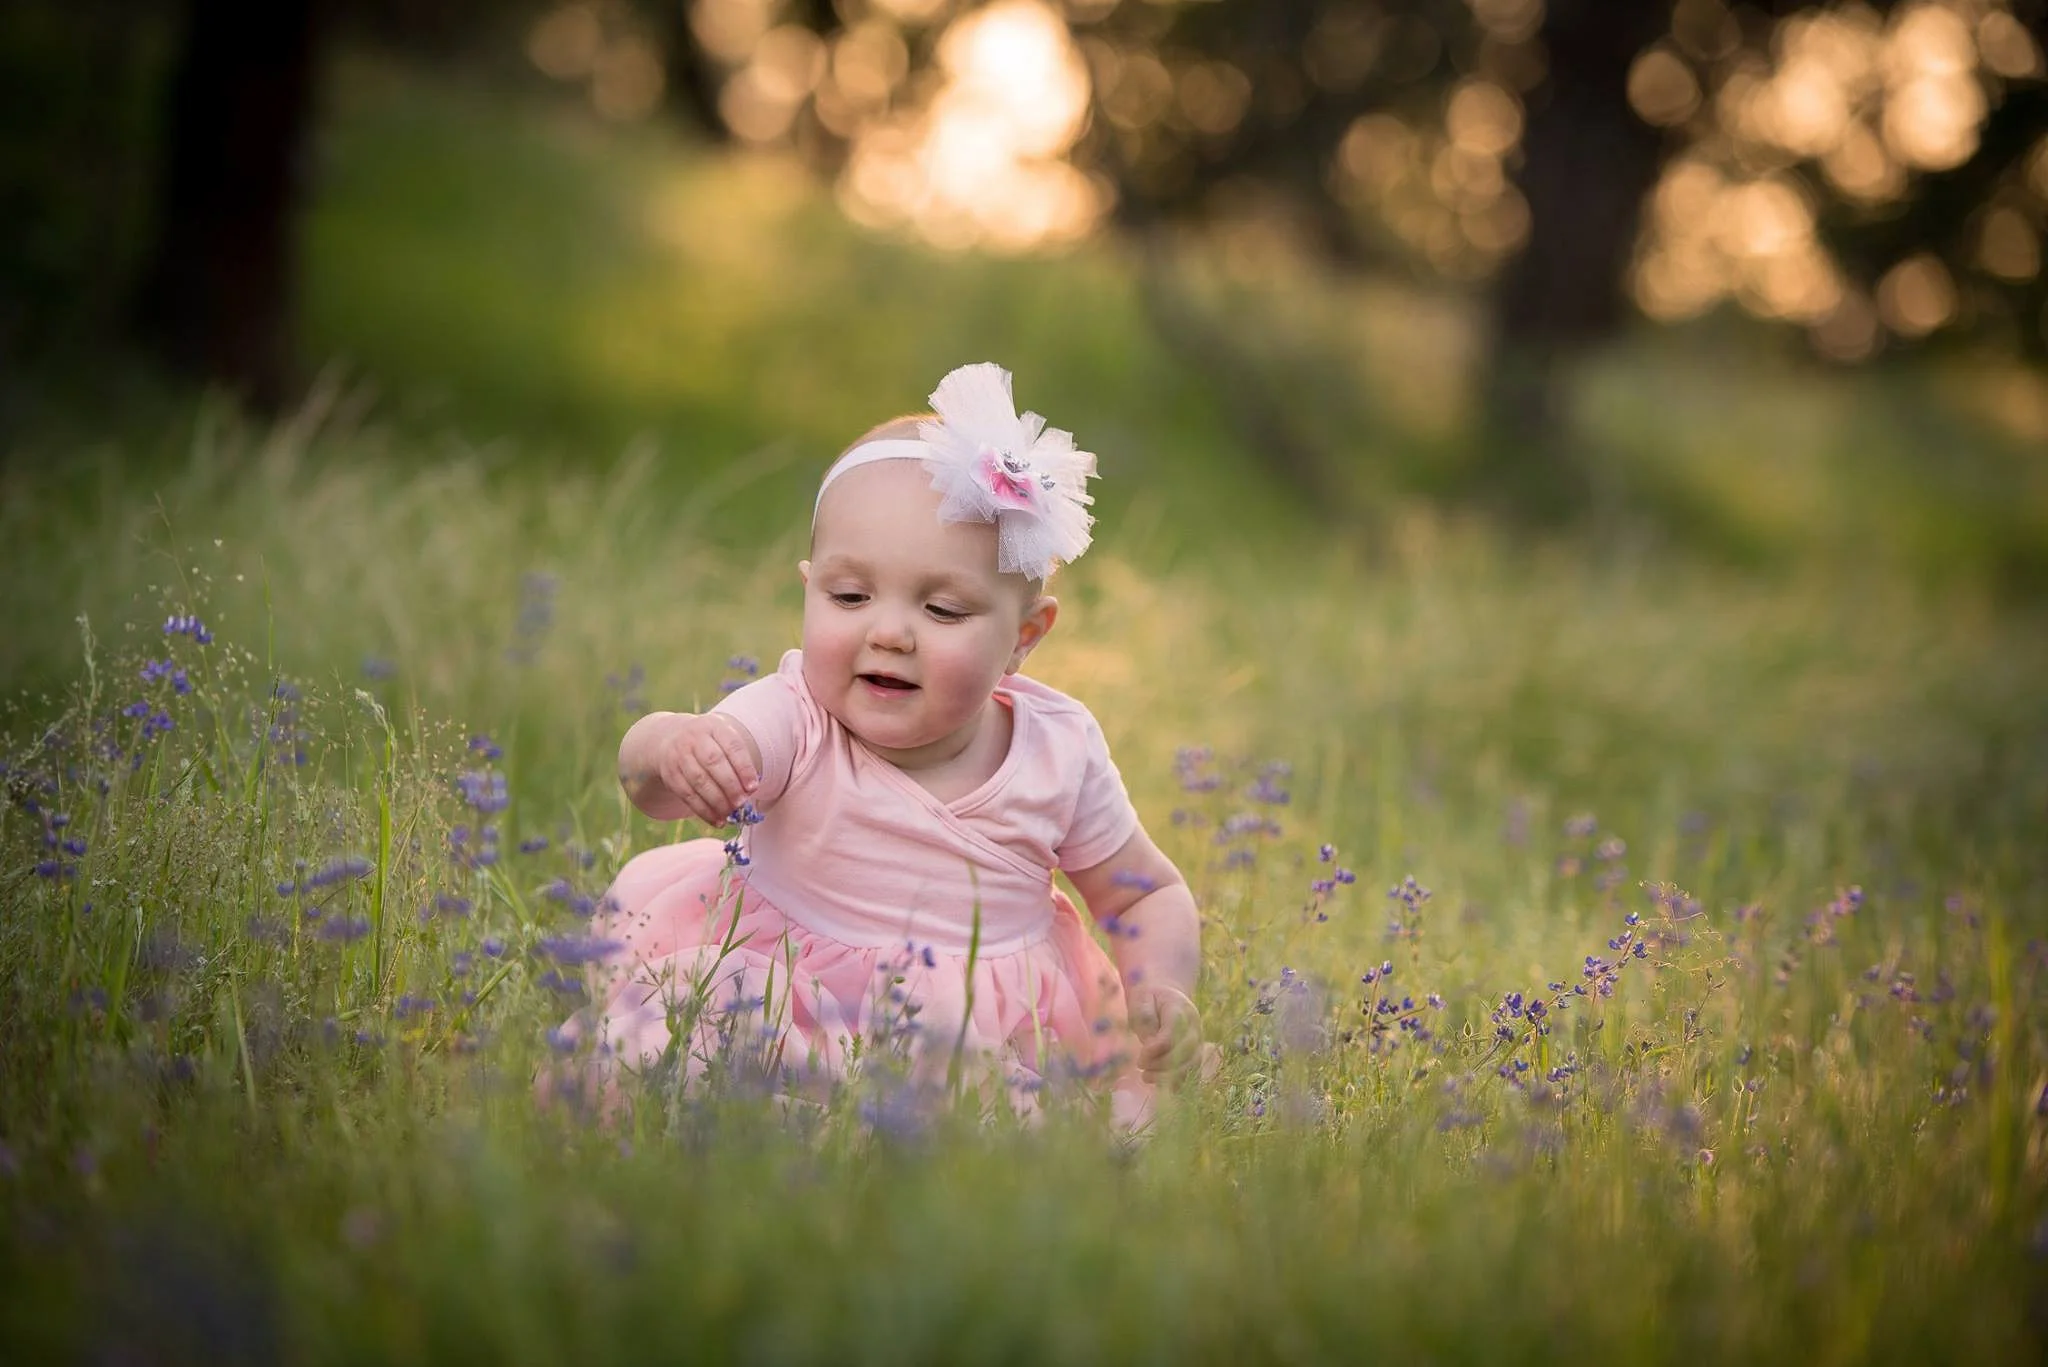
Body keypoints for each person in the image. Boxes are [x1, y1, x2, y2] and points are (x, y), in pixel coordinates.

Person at [558, 362, 1202, 1128]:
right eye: (850, 596)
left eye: (941, 607)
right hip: (779, 996)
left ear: (1023, 637)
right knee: (684, 1059)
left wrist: (1163, 988)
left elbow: (1141, 892)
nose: (888, 632)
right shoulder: (796, 716)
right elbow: (651, 787)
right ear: (808, 589)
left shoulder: (1057, 754)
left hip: (972, 1038)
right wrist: (672, 747)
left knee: (1007, 1135)